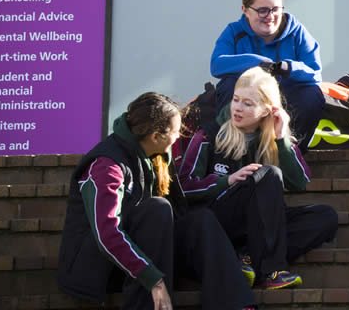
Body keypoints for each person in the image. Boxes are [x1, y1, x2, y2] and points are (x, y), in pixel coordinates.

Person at [58, 92, 255, 310]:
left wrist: (223, 185)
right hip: (106, 268)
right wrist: (154, 280)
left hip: (148, 255)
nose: (179, 136)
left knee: (201, 220)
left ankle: (236, 305)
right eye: (175, 131)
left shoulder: (157, 155)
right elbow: (107, 234)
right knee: (157, 208)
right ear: (155, 136)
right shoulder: (107, 166)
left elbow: (178, 207)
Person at [179, 66, 338, 290]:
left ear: (266, 110)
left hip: (262, 228)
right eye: (236, 100)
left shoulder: (275, 140)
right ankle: (272, 271)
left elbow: (300, 182)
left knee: (325, 217)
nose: (237, 108)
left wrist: (281, 138)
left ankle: (248, 258)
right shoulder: (209, 134)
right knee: (269, 174)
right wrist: (227, 181)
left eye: (248, 103)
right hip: (220, 223)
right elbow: (184, 187)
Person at [211, 0, 324, 150]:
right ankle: (235, 151)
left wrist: (289, 68)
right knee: (228, 86)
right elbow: (217, 65)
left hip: (284, 100)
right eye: (262, 10)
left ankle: (290, 152)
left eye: (275, 9)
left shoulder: (298, 32)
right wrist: (258, 63)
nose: (270, 16)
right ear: (245, 10)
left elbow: (314, 73)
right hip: (249, 100)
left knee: (312, 95)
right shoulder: (233, 31)